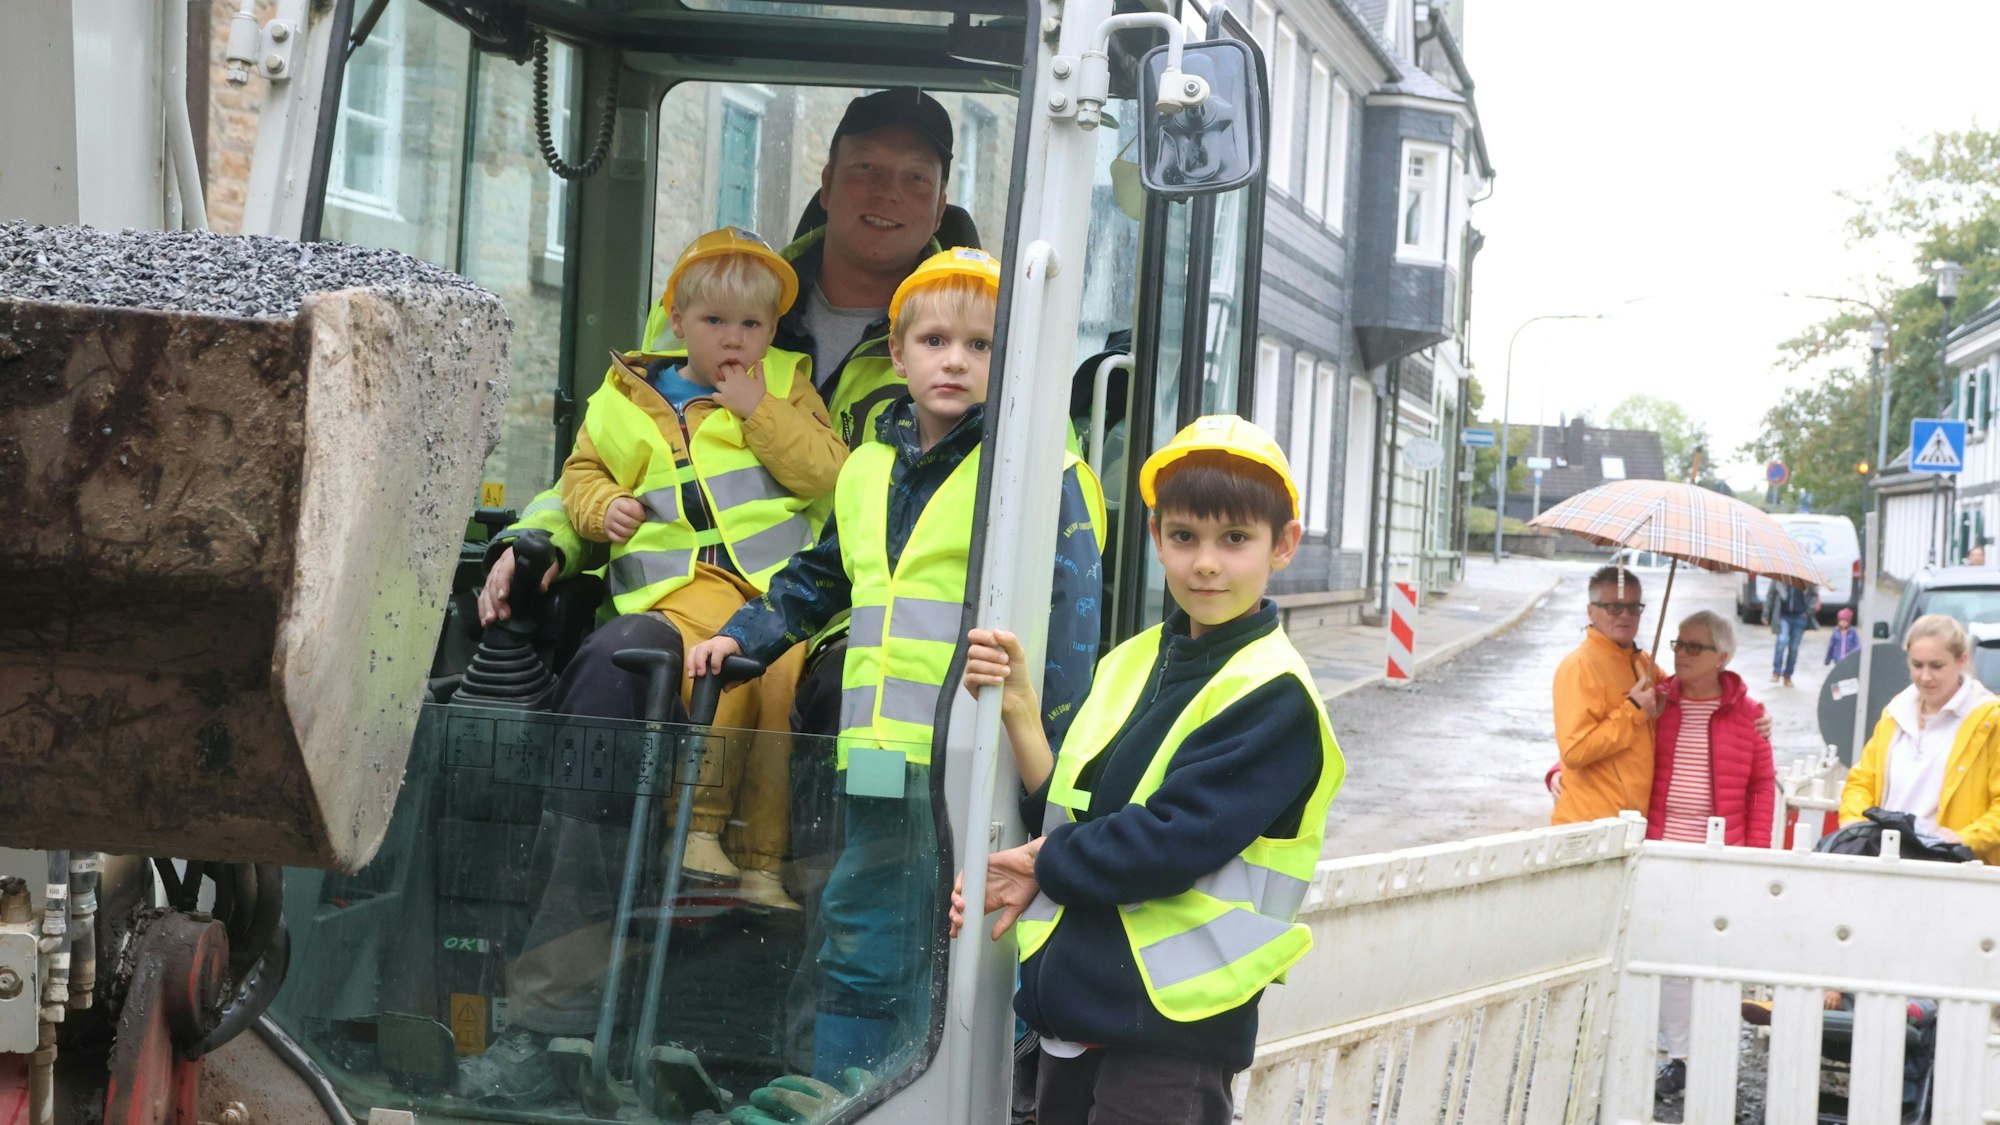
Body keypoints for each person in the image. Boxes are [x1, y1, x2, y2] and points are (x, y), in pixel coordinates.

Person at [688, 247, 1103, 1100]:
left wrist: (1047, 783)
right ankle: (844, 1097)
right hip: (878, 762)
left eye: (983, 346)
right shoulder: (868, 469)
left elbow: (1071, 635)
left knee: (983, 945)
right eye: (937, 339)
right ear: (899, 348)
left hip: (977, 772)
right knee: (862, 937)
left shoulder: (1040, 475)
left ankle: (981, 1100)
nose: (956, 360)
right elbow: (822, 576)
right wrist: (744, 639)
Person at [951, 416, 1345, 1125]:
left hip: (1172, 1036)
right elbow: (1074, 816)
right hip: (1081, 1014)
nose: (1206, 564)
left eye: (1235, 539)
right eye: (1185, 536)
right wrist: (1018, 709)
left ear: (1281, 545)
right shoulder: (1133, 661)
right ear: (1157, 535)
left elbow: (1167, 841)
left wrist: (1043, 862)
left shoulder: (1273, 692)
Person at [555, 225, 843, 900]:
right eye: (715, 321)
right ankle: (699, 827)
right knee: (724, 664)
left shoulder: (784, 386)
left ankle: (761, 862)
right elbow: (580, 474)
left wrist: (760, 412)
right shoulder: (620, 400)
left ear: (774, 327)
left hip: (778, 585)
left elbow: (830, 473)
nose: (734, 339)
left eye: (753, 323)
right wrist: (603, 508)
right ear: (678, 320)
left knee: (777, 689)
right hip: (679, 588)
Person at [1642, 610, 1775, 1098]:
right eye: (1678, 643)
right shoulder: (1655, 703)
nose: (1680, 652)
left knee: (1712, 956)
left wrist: (1755, 856)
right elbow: (1607, 746)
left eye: (1694, 646)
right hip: (1659, 848)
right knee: (1667, 957)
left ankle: (1708, 1054)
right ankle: (1676, 1055)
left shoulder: (1749, 714)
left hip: (1720, 854)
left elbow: (1762, 788)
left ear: (1723, 656)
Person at [1838, 613, 2000, 864]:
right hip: (1883, 859)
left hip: (1954, 870)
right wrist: (1855, 823)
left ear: (1962, 660)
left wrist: (1966, 838)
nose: (1925, 676)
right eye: (1917, 665)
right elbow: (1862, 780)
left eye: (1936, 666)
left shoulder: (1990, 720)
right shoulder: (1896, 713)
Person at [1550, 565, 1663, 824]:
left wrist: (1750, 715)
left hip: (1629, 822)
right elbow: (1575, 751)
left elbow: (1686, 694)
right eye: (1614, 607)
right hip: (1590, 824)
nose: (1626, 615)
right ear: (1592, 611)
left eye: (1634, 607)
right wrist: (1633, 709)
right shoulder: (1579, 667)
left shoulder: (1643, 663)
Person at [1767, 581, 1816, 687]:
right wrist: (1766, 613)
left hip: (1800, 617)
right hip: (1783, 616)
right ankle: (1776, 672)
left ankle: (1788, 675)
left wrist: (1808, 612)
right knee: (1782, 640)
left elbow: (1813, 595)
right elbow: (1771, 594)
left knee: (1794, 648)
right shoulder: (1780, 579)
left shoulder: (1805, 579)